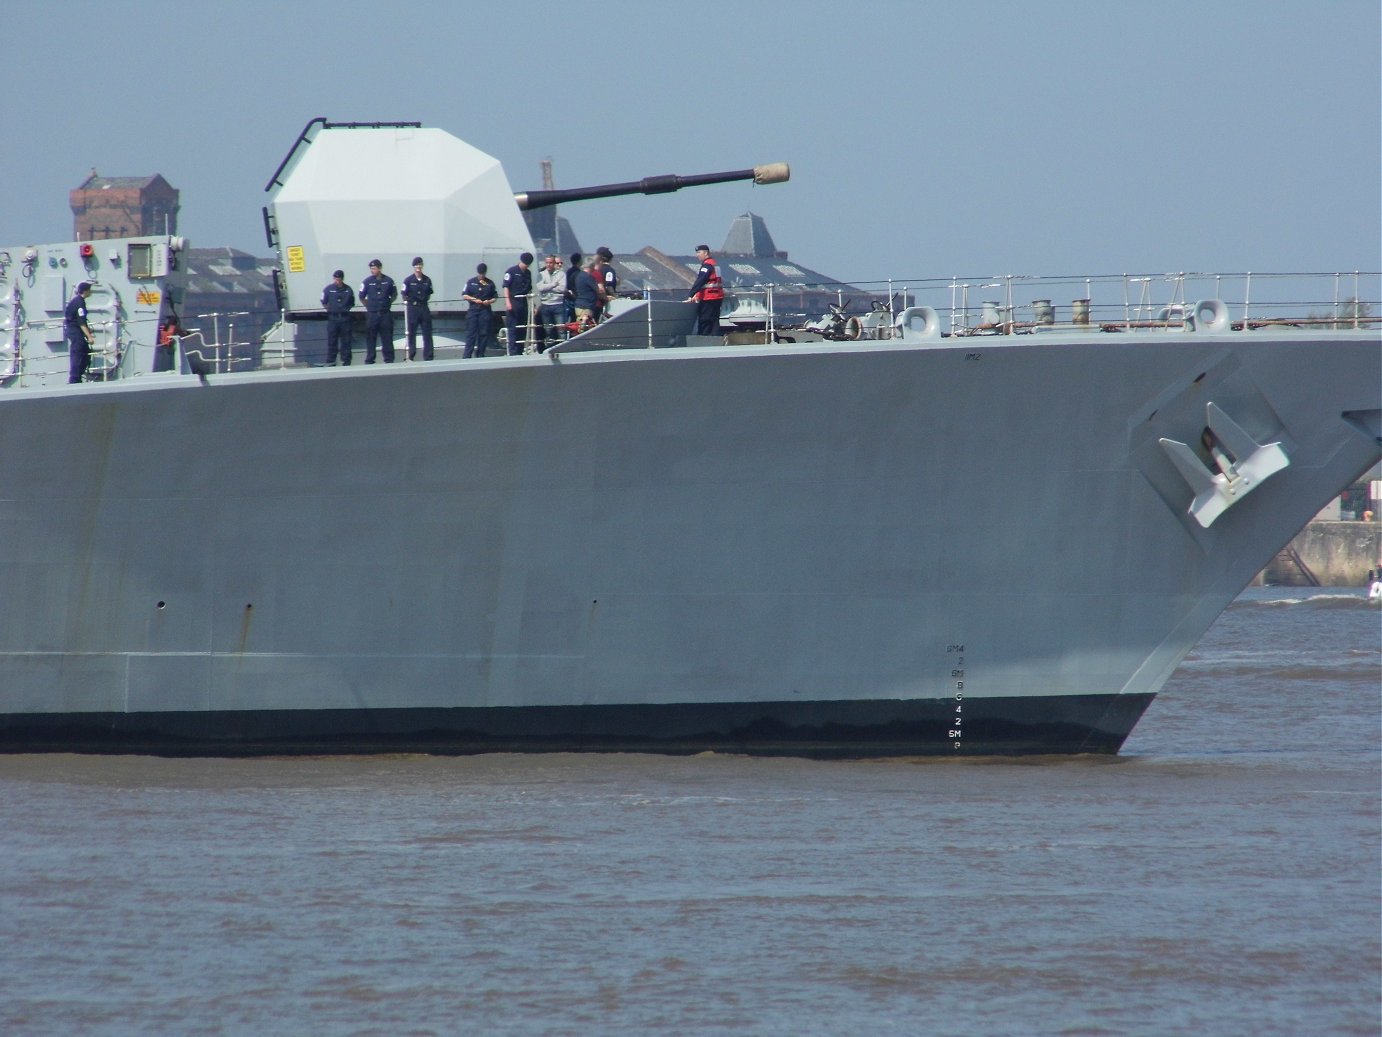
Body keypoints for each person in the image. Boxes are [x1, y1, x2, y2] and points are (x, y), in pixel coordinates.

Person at [359, 259, 397, 363]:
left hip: (385, 314)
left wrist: (388, 303)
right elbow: (361, 296)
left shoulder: (388, 281)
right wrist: (369, 306)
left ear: (379, 268)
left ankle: (389, 359)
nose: (372, 270)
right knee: (371, 337)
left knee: (387, 338)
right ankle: (370, 359)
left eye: (374, 268)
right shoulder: (367, 281)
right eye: (371, 268)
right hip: (373, 314)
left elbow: (394, 294)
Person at [686, 244, 725, 336]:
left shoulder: (707, 266)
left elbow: (701, 281)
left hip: (709, 297)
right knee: (714, 321)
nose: (697, 255)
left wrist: (691, 294)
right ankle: (716, 339)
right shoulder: (715, 264)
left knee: (705, 320)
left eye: (699, 252)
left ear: (705, 253)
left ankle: (703, 340)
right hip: (717, 296)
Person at [402, 256, 435, 361]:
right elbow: (404, 294)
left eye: (420, 265)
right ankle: (411, 355)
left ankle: (428, 356)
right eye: (416, 265)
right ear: (413, 266)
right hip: (413, 308)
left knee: (427, 332)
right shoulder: (408, 280)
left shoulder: (427, 280)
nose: (418, 267)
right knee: (411, 332)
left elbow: (429, 293)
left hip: (424, 307)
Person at [462, 262, 497, 358]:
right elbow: (465, 295)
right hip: (473, 310)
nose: (481, 276)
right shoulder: (471, 282)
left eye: (483, 274)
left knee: (483, 333)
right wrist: (474, 300)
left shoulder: (489, 283)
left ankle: (480, 354)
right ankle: (467, 355)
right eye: (480, 274)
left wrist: (488, 301)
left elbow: (494, 297)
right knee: (471, 334)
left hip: (484, 310)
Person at [321, 269, 356, 365]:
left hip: (345, 318)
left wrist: (344, 309)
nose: (337, 281)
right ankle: (331, 360)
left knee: (346, 340)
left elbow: (352, 303)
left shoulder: (348, 289)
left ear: (342, 279)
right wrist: (330, 310)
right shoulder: (328, 289)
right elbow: (323, 301)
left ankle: (346, 360)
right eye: (335, 279)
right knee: (332, 340)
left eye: (338, 279)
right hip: (333, 317)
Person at [503, 252, 534, 355]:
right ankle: (513, 352)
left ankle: (520, 351)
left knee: (522, 328)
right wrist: (507, 302)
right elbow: (506, 287)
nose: (526, 265)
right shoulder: (511, 271)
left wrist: (532, 305)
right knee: (512, 328)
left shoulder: (528, 273)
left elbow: (529, 289)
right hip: (513, 302)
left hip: (523, 303)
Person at [65, 281, 95, 383]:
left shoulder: (77, 301)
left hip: (73, 330)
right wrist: (89, 336)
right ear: (85, 291)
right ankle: (74, 379)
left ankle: (77, 376)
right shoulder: (79, 303)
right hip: (74, 330)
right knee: (79, 352)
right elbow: (81, 322)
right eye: (90, 290)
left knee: (85, 351)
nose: (91, 292)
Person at [535, 254, 566, 349]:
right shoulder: (541, 274)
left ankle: (563, 348)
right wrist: (554, 284)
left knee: (561, 329)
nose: (548, 265)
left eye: (551, 263)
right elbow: (540, 288)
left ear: (554, 263)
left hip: (558, 304)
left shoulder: (561, 274)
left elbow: (562, 288)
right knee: (548, 330)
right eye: (547, 263)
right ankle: (550, 349)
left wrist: (547, 287)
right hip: (545, 305)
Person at [572, 258, 606, 331]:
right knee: (585, 328)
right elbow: (598, 291)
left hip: (578, 305)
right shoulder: (588, 277)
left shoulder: (579, 276)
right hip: (586, 306)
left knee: (581, 327)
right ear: (591, 266)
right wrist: (606, 297)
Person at [564, 252, 582, 325]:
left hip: (568, 297)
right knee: (575, 319)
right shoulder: (578, 273)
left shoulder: (568, 271)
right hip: (575, 297)